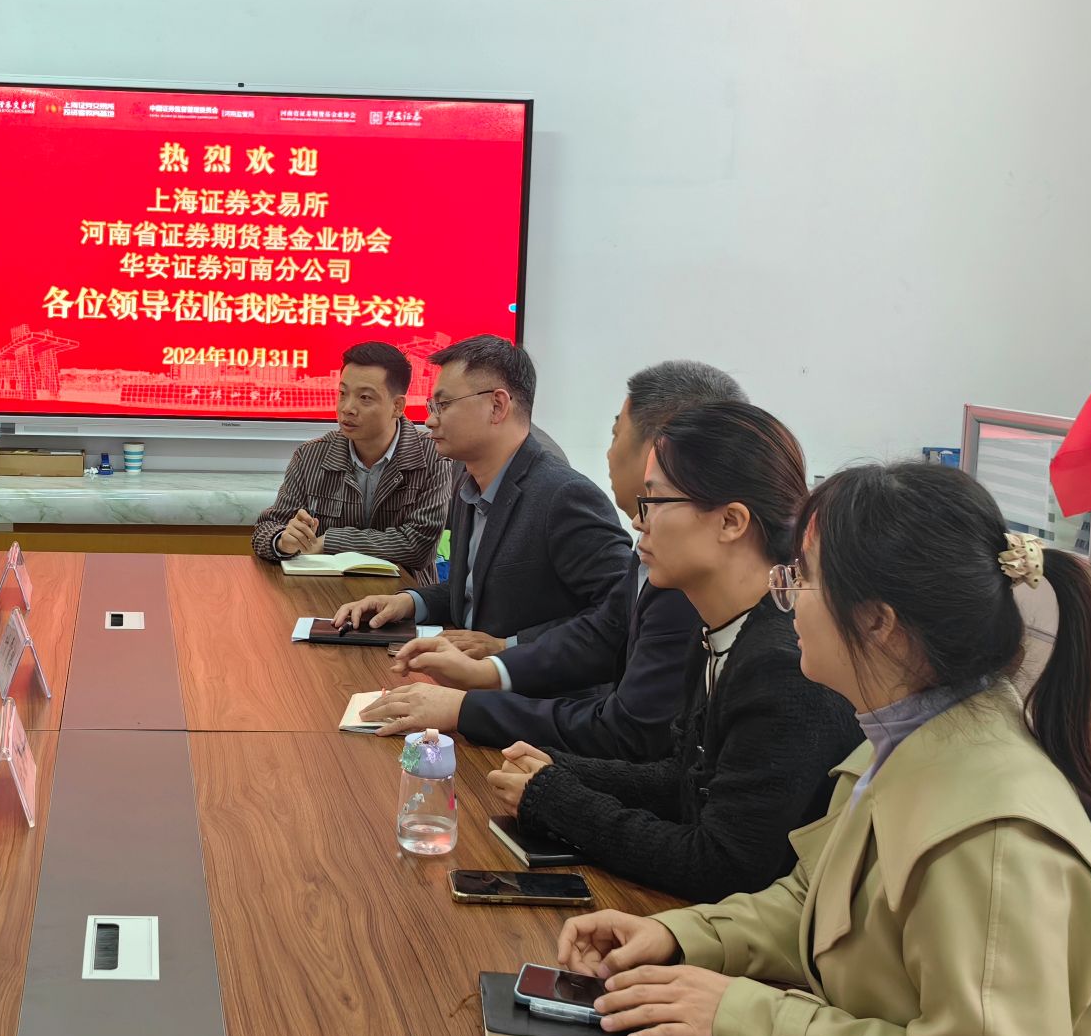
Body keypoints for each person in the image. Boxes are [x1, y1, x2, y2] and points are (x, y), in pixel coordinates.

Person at [556, 463, 1091, 1036]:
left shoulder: (990, 840)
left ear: (878, 622)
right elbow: (819, 902)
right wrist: (683, 935)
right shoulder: (909, 734)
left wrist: (748, 1017)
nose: (786, 595)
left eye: (804, 576)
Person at [481, 402, 859, 903]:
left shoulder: (782, 665)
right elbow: (684, 780)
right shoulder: (721, 628)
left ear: (731, 521)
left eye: (655, 500)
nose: (640, 522)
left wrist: (554, 798)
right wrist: (557, 768)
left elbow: (721, 865)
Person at [364, 360, 744, 757]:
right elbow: (606, 629)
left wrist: (469, 703)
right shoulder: (658, 538)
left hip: (565, 724)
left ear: (663, 446)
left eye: (616, 433)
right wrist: (487, 671)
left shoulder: (683, 568)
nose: (609, 452)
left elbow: (633, 731)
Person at [333, 334, 629, 648]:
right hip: (461, 667)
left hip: (529, 678)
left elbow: (623, 611)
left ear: (496, 406)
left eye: (443, 405)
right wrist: (408, 602)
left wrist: (508, 647)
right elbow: (474, 592)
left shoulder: (563, 495)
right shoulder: (470, 486)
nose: (430, 420)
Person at [250, 341, 453, 572]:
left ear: (397, 406)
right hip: (323, 588)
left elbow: (419, 546)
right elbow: (266, 529)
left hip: (405, 591)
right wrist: (283, 541)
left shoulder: (434, 456)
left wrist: (330, 541)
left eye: (365, 397)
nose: (347, 408)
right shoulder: (310, 456)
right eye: (342, 393)